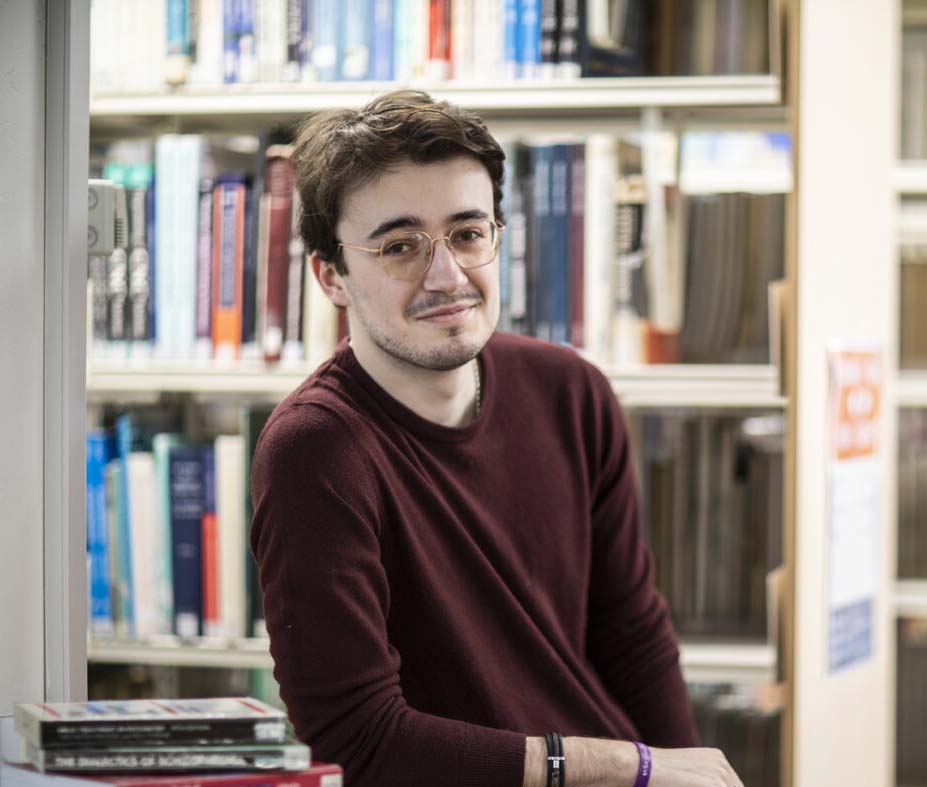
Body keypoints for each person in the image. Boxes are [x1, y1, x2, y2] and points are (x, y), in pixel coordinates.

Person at [250, 89, 744, 787]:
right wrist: (624, 766)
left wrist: (680, 772)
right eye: (399, 245)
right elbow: (357, 738)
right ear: (331, 276)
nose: (447, 275)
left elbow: (630, 632)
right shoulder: (315, 450)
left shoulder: (572, 390)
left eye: (467, 232)